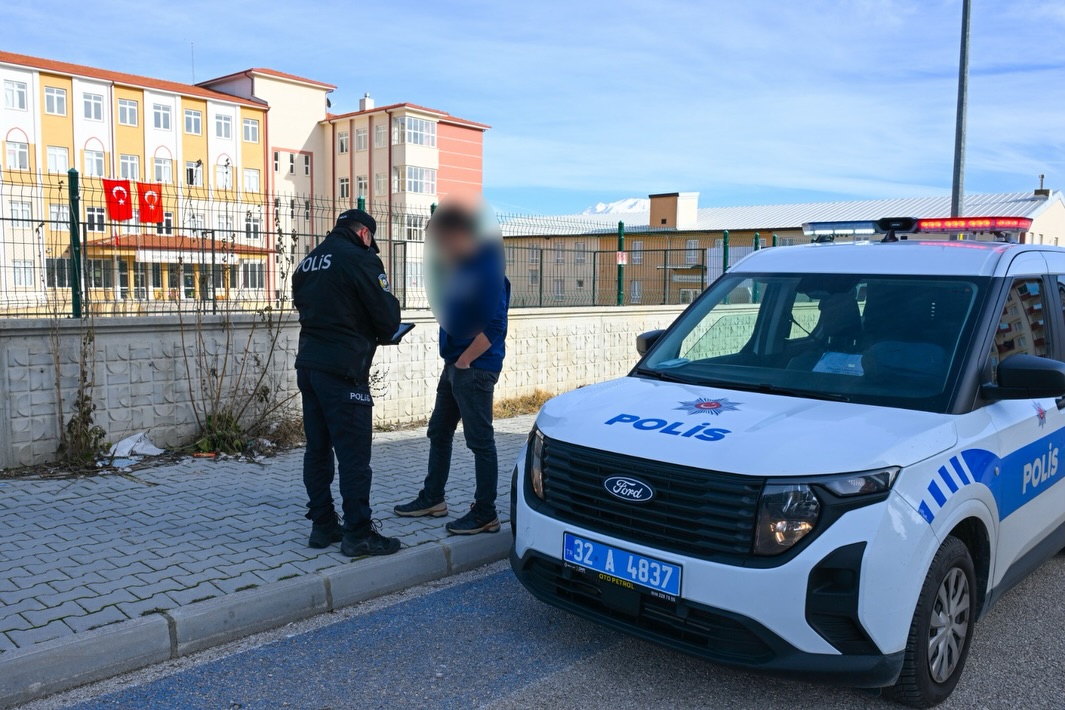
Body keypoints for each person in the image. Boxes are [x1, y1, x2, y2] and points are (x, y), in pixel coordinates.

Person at [395, 203, 511, 534]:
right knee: (439, 431)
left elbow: (494, 328)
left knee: (480, 442)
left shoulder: (486, 269)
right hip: (457, 366)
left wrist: (465, 361)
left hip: (473, 369)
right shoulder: (462, 269)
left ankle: (486, 512)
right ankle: (433, 498)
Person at [292, 208, 402, 557]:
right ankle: (357, 533)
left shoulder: (308, 263)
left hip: (309, 366)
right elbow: (387, 320)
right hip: (344, 372)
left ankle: (322, 525)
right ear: (365, 235)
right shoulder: (360, 259)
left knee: (318, 449)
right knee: (354, 457)